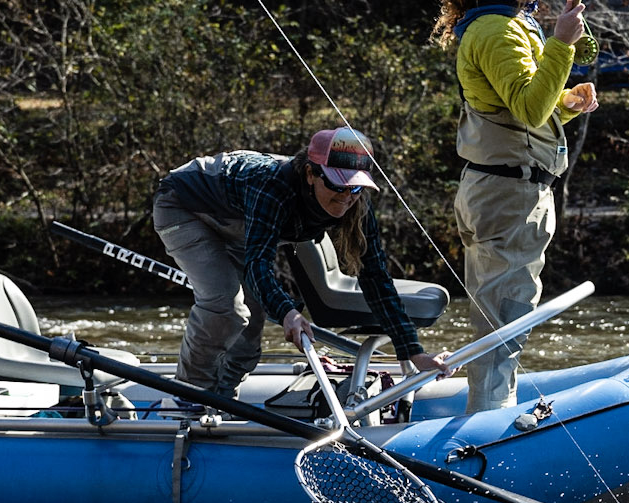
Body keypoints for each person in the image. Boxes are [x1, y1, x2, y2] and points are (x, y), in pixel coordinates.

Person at [429, 0, 599, 413]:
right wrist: (563, 43)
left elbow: (527, 112)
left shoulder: (505, 26)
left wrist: (565, 103)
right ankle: (487, 430)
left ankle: (487, 412)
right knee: (504, 322)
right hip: (507, 197)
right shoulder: (497, 32)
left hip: (501, 191)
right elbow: (527, 106)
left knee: (499, 318)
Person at [152, 127, 446, 398]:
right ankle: (188, 395)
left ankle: (223, 398)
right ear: (310, 173)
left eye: (355, 188)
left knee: (251, 323)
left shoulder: (356, 203)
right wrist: (288, 312)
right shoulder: (273, 187)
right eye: (337, 184)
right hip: (184, 207)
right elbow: (259, 264)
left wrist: (413, 350)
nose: (346, 197)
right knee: (227, 307)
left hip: (239, 221)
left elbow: (377, 279)